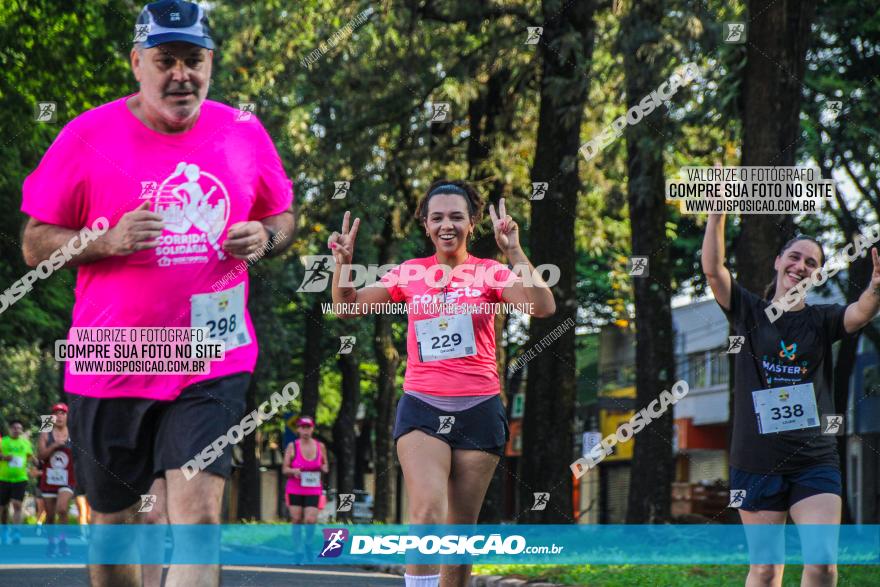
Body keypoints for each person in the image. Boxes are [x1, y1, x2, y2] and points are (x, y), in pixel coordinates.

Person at [19, 2, 295, 585]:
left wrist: (266, 238)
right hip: (113, 358)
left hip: (210, 355)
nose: (181, 74)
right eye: (166, 59)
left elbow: (283, 217)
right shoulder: (85, 135)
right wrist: (106, 239)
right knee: (116, 529)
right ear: (137, 63)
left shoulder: (242, 132)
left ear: (210, 64)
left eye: (193, 60)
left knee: (197, 513)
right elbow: (34, 244)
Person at [329, 180, 555, 587]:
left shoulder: (490, 272)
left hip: (479, 408)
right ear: (426, 224)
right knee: (428, 513)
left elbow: (542, 306)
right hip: (423, 407)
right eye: (437, 218)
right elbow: (347, 307)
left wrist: (514, 251)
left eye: (456, 216)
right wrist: (343, 263)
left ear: (471, 223)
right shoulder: (410, 273)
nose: (446, 225)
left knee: (459, 533)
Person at [702, 208, 880, 587]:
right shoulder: (750, 311)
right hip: (756, 461)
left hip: (813, 459)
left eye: (811, 262)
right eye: (795, 256)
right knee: (766, 571)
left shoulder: (821, 320)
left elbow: (861, 312)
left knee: (822, 565)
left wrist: (875, 287)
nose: (801, 266)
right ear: (778, 261)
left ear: (816, 275)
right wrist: (717, 217)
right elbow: (715, 272)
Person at [37, 403, 77, 557]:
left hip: (67, 479)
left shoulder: (73, 433)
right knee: (51, 515)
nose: (59, 416)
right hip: (49, 480)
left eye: (63, 413)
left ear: (67, 416)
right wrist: (54, 446)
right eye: (56, 413)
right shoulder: (46, 432)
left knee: (62, 509)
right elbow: (40, 455)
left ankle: (63, 541)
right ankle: (51, 543)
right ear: (51, 417)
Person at [283, 416, 329, 524]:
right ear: (298, 429)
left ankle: (308, 541)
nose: (306, 430)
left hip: (313, 488)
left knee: (310, 520)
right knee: (296, 519)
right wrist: (294, 471)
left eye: (308, 427)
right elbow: (285, 469)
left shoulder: (320, 446)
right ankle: (297, 541)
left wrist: (324, 468)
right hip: (295, 487)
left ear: (312, 429)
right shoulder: (292, 446)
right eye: (303, 427)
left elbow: (325, 464)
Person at [0, 420, 36, 545]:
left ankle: (16, 532)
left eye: (19, 428)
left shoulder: (25, 442)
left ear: (21, 430)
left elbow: (29, 456)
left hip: (20, 478)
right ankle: (4, 531)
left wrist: (35, 461)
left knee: (17, 505)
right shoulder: (3, 441)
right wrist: (3, 457)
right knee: (3, 508)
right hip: (3, 478)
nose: (17, 430)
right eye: (14, 427)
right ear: (10, 429)